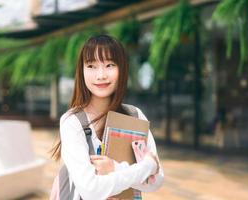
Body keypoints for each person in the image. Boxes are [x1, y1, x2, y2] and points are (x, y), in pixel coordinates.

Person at [51, 34, 164, 200]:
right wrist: (147, 166)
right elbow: (91, 190)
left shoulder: (135, 115)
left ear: (122, 69)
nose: (101, 75)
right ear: (81, 71)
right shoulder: (72, 121)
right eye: (91, 66)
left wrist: (115, 168)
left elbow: (156, 181)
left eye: (109, 65)